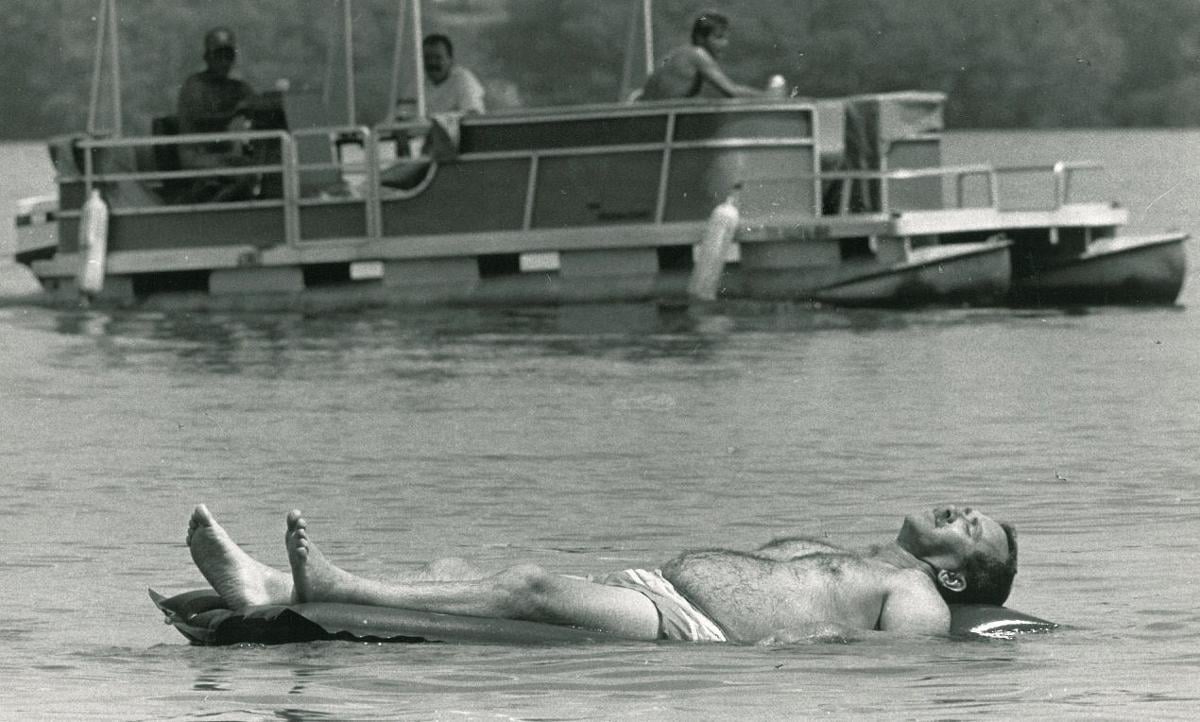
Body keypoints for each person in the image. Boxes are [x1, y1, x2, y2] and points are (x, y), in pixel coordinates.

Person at [186, 502, 1017, 643]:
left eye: (973, 528)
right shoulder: (865, 557)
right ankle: (274, 584)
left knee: (527, 585)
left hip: (694, 634)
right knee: (456, 571)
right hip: (652, 591)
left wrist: (791, 652)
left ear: (956, 578)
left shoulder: (914, 597)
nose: (959, 509)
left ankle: (323, 589)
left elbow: (899, 669)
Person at [175, 27, 260, 202]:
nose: (224, 61)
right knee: (247, 173)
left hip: (222, 156)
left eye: (228, 55)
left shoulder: (236, 87)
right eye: (218, 55)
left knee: (260, 167)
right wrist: (235, 111)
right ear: (207, 58)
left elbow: (256, 103)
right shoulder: (195, 85)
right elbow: (201, 120)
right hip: (197, 155)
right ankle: (210, 212)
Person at [638, 12, 769, 101]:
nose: (725, 43)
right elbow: (732, 91)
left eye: (725, 38)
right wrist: (769, 97)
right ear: (700, 38)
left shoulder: (678, 54)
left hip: (646, 120)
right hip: (655, 123)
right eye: (718, 38)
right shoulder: (697, 55)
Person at [422, 34, 486, 115]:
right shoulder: (417, 83)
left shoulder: (464, 80)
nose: (432, 62)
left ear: (450, 59)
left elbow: (473, 114)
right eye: (427, 58)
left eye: (438, 57)